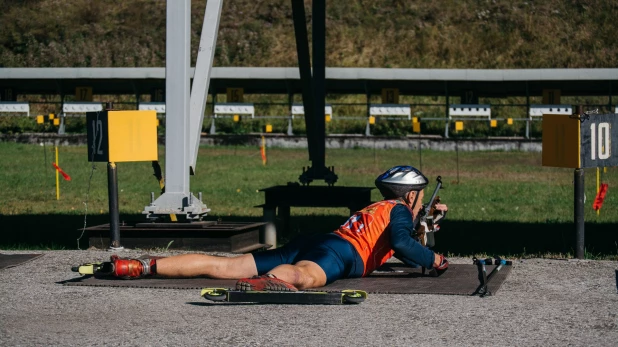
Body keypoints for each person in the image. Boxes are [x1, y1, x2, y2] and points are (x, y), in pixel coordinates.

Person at [110, 165, 449, 291]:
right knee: (306, 277)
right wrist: (434, 260)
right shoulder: (401, 212)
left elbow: (399, 244)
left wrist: (427, 229)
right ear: (413, 195)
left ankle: (139, 266)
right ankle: (258, 286)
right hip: (342, 254)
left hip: (320, 240)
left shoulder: (379, 207)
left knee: (223, 265)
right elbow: (404, 246)